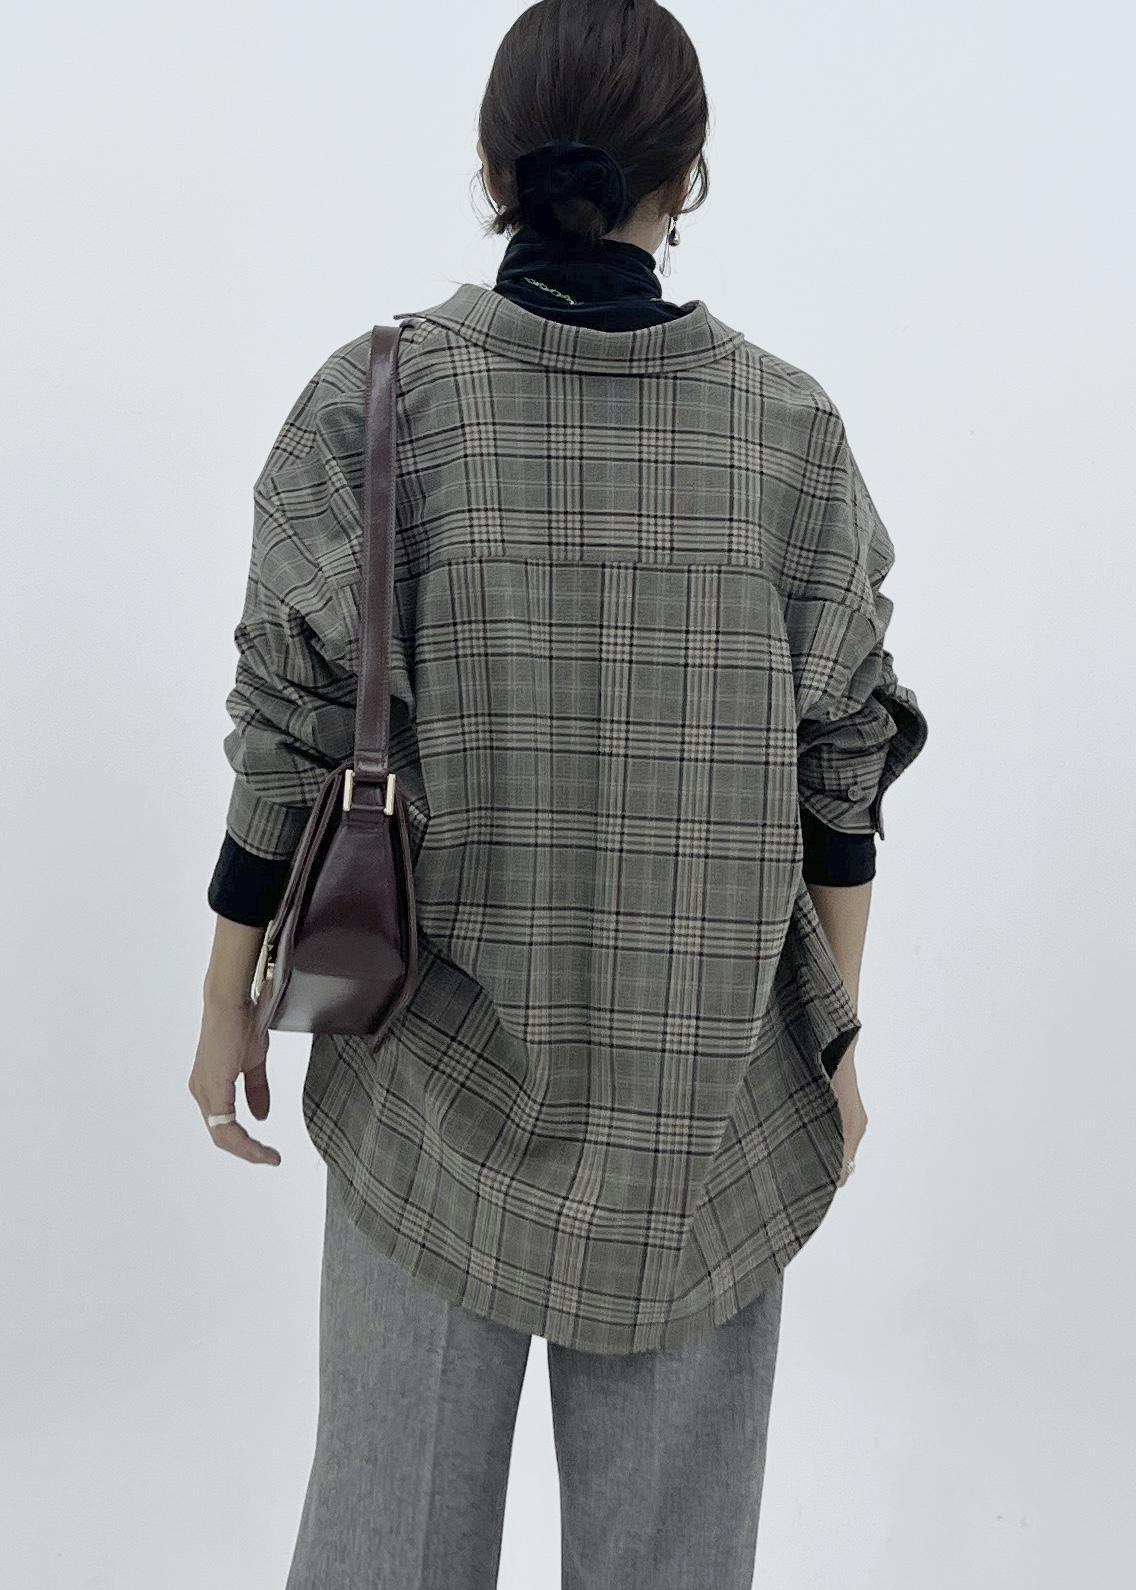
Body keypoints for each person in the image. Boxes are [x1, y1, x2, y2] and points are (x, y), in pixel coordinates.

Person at [189, 2, 929, 1585]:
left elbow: (286, 734)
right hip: (706, 1117)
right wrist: (834, 1034)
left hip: (425, 1083)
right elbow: (843, 775)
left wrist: (225, 1000)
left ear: (490, 165)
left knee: (384, 1553)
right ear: (692, 176)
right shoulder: (789, 437)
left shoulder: (379, 401)